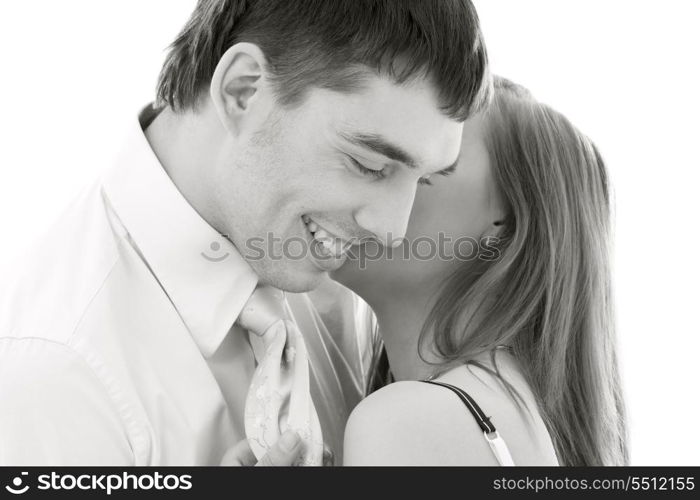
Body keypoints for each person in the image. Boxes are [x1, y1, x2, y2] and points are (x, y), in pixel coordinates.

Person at [0, 0, 490, 465]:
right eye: (369, 164)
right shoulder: (53, 372)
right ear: (243, 90)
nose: (392, 231)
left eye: (422, 181)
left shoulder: (325, 287)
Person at [334, 76, 630, 466]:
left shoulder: (414, 422)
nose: (373, 172)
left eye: (431, 165)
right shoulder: (501, 414)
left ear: (505, 221)